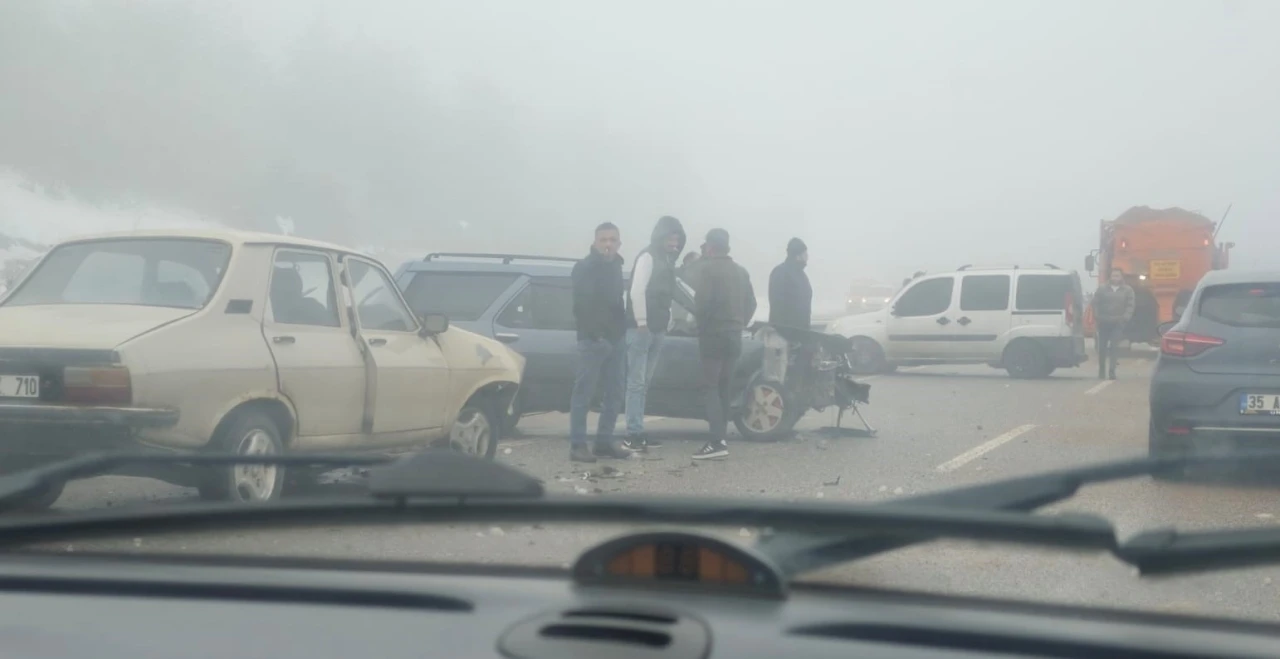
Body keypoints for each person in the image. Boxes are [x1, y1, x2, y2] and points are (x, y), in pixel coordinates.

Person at [568, 222, 633, 463]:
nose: (608, 244)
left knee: (615, 393)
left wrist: (622, 330)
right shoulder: (585, 267)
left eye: (612, 240)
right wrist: (597, 336)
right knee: (583, 394)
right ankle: (577, 445)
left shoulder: (616, 266)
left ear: (619, 243)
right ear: (595, 242)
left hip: (616, 340)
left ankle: (604, 442)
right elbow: (581, 306)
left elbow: (617, 303)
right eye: (604, 240)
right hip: (592, 341)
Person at [691, 228, 757, 460]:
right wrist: (739, 323)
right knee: (724, 388)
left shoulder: (708, 270)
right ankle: (722, 439)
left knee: (710, 387)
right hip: (734, 335)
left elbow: (702, 305)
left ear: (710, 247)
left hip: (713, 336)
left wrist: (700, 327)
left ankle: (716, 442)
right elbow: (752, 303)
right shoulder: (740, 272)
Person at [623, 216, 687, 451]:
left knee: (644, 383)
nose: (675, 243)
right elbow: (637, 291)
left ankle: (638, 431)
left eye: (678, 239)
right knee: (636, 384)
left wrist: (668, 319)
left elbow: (667, 295)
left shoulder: (666, 261)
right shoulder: (648, 257)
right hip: (642, 329)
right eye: (672, 238)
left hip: (657, 329)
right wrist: (641, 322)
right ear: (661, 236)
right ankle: (632, 434)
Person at [1091, 267, 1135, 380]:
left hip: (1117, 323)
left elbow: (1130, 305)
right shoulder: (1102, 289)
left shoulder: (1127, 290)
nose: (1115, 278)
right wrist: (1097, 316)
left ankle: (1112, 372)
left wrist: (1125, 318)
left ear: (1121, 277)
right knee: (1102, 348)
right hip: (1103, 322)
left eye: (1118, 276)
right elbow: (1095, 303)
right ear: (1110, 276)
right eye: (1113, 275)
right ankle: (1101, 370)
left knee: (1114, 347)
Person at [767, 237, 813, 330]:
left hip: (800, 333)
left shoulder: (801, 274)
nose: (807, 256)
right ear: (797, 255)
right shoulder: (781, 273)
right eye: (805, 253)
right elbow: (778, 306)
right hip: (786, 334)